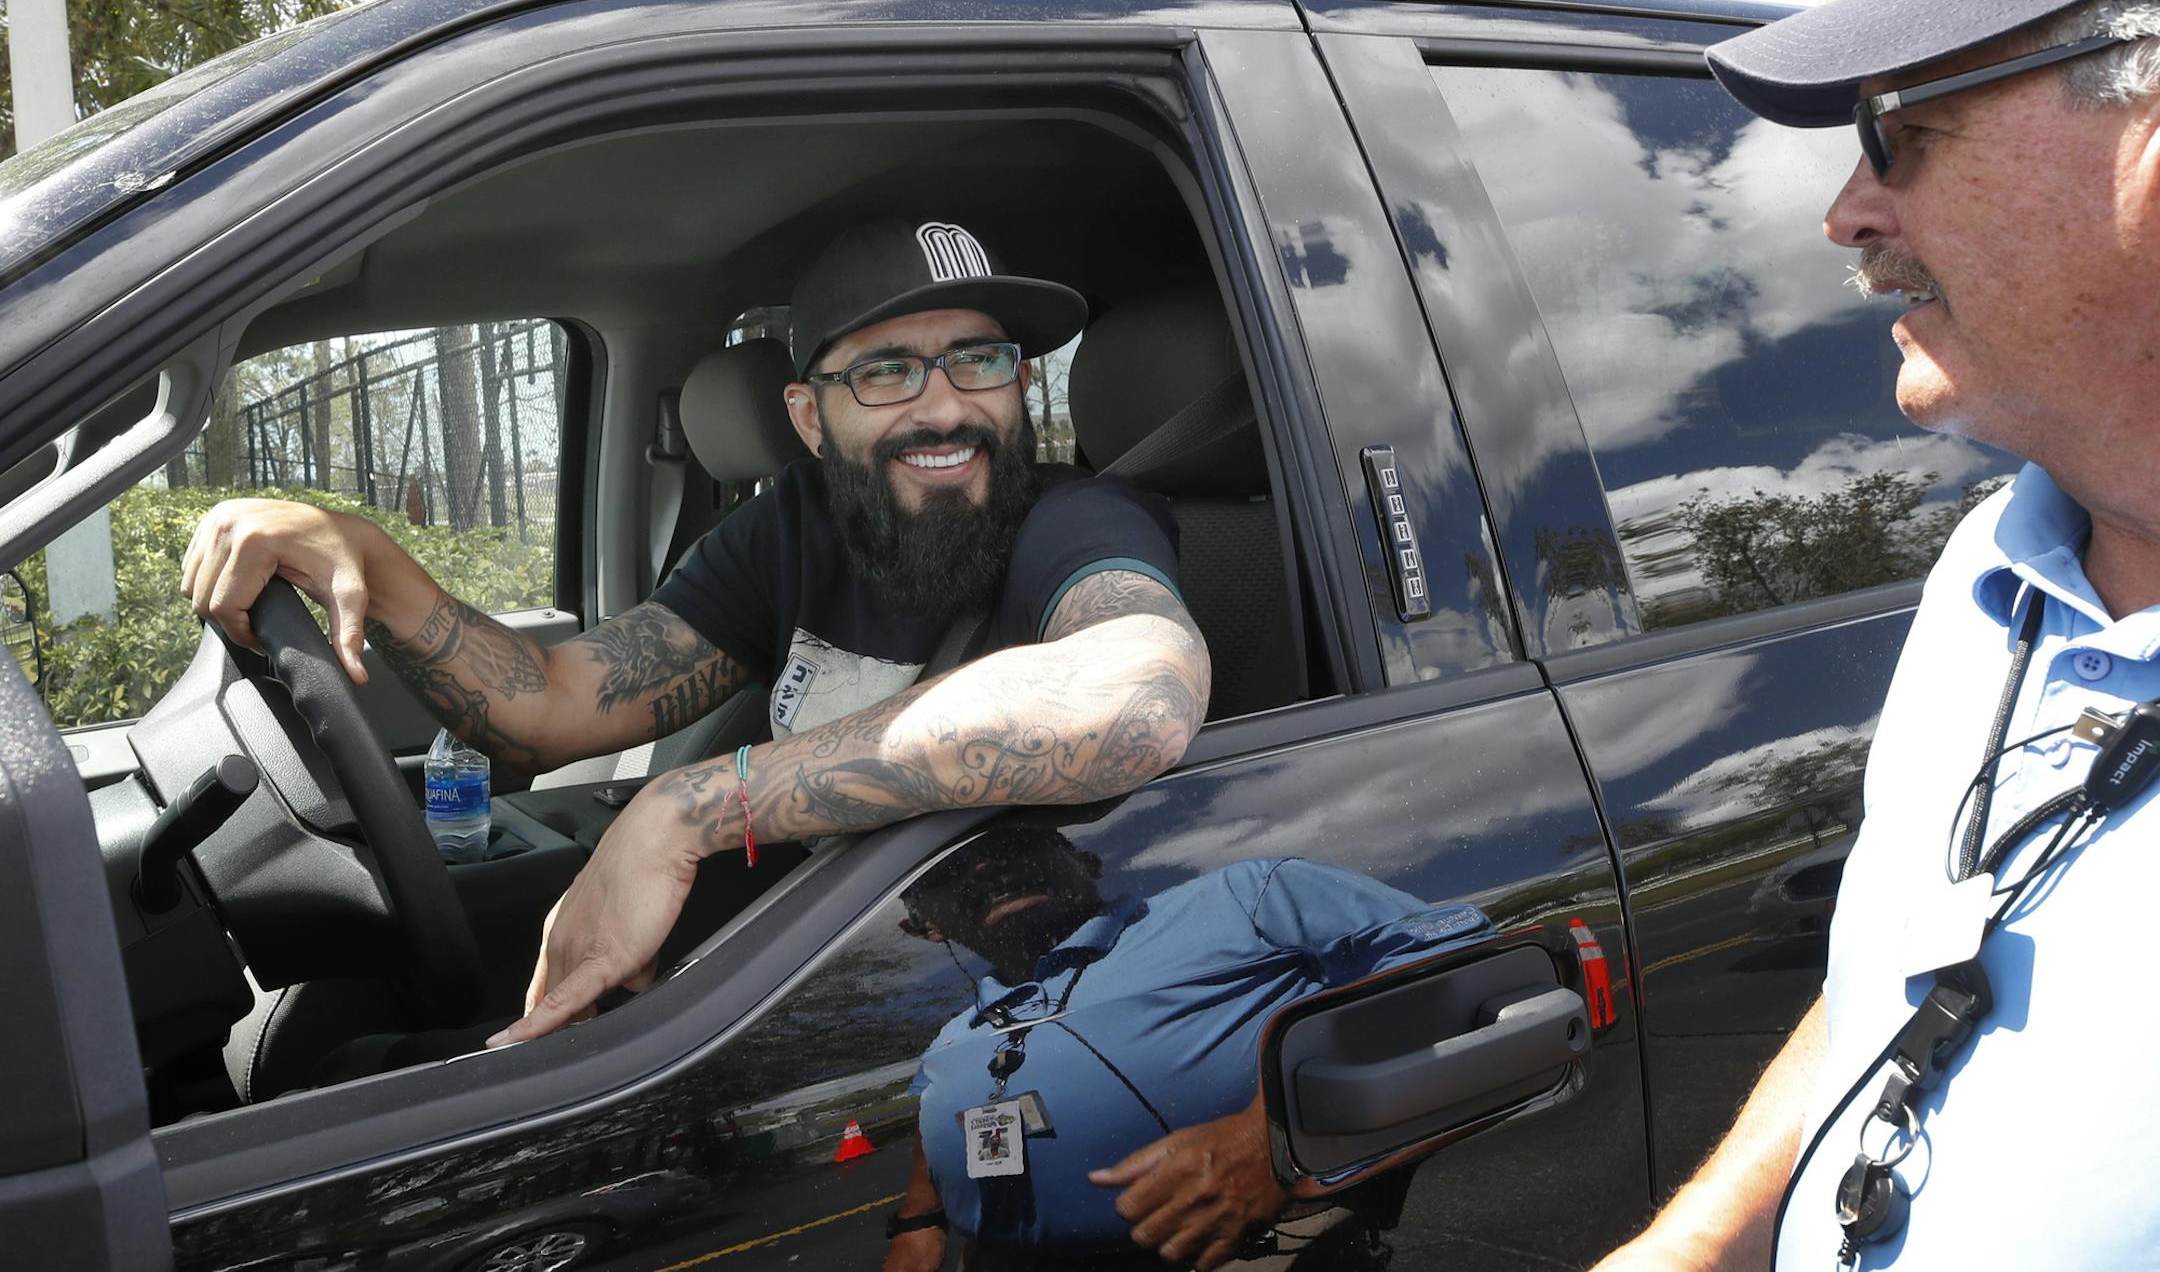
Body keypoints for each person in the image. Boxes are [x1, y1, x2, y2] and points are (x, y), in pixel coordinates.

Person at [181, 217, 1212, 1048]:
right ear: (811, 418)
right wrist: (361, 552)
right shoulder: (795, 531)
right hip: (772, 968)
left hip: (979, 1014)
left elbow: (1137, 696)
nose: (944, 408)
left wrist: (690, 806)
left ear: (1019, 383)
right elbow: (552, 705)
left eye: (977, 361)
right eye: (888, 370)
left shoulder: (1078, 520)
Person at [1591, 0, 2160, 1268]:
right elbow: (1910, 961)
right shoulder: (1994, 568)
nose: (1846, 210)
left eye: (1896, 129)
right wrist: (1702, 1239)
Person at [883, 823, 1488, 1272]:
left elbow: (1465, 968)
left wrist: (1276, 1139)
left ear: (1085, 860)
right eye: (948, 870)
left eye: (1014, 842)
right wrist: (920, 1223)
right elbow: (939, 1115)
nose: (984, 871)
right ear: (924, 926)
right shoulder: (954, 1033)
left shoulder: (1242, 898)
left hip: (1243, 1251)